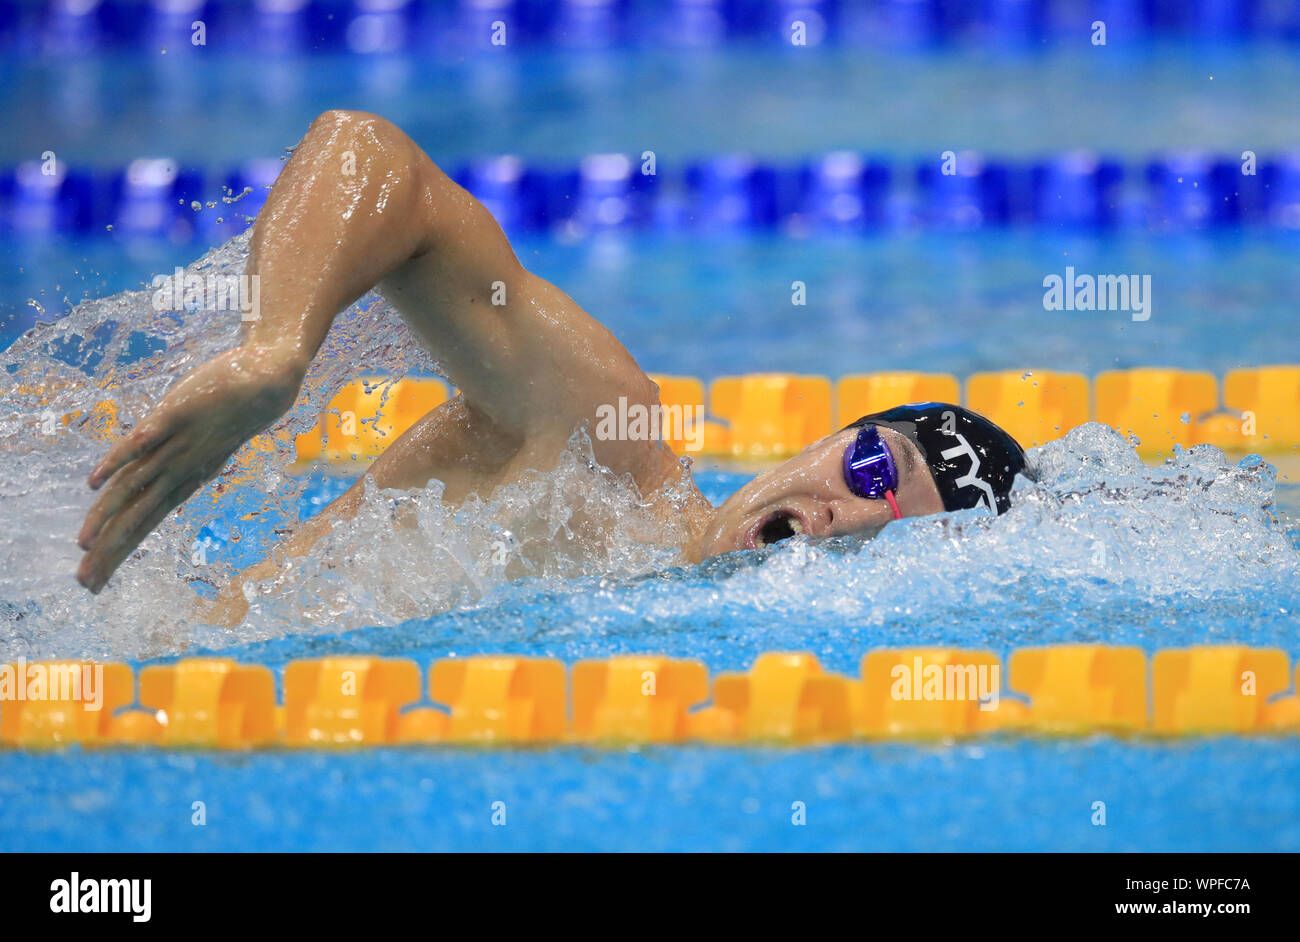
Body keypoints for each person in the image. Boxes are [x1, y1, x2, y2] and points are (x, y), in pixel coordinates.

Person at [74, 110, 1029, 618]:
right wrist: (273, 352)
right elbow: (371, 154)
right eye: (871, 470)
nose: (847, 516)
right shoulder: (602, 448)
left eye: (889, 529)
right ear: (830, 440)